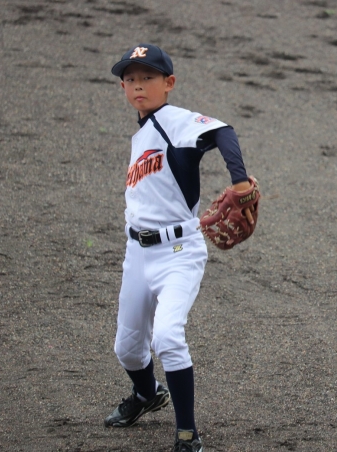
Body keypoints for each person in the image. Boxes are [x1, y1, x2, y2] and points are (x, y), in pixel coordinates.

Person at [104, 43, 254, 452]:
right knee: (127, 350)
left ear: (168, 83)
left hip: (178, 253)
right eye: (131, 79)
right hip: (137, 254)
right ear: (122, 87)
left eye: (148, 77)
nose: (138, 85)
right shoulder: (143, 135)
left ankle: (187, 433)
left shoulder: (174, 121)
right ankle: (146, 394)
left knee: (168, 337)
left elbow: (223, 131)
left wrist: (239, 180)